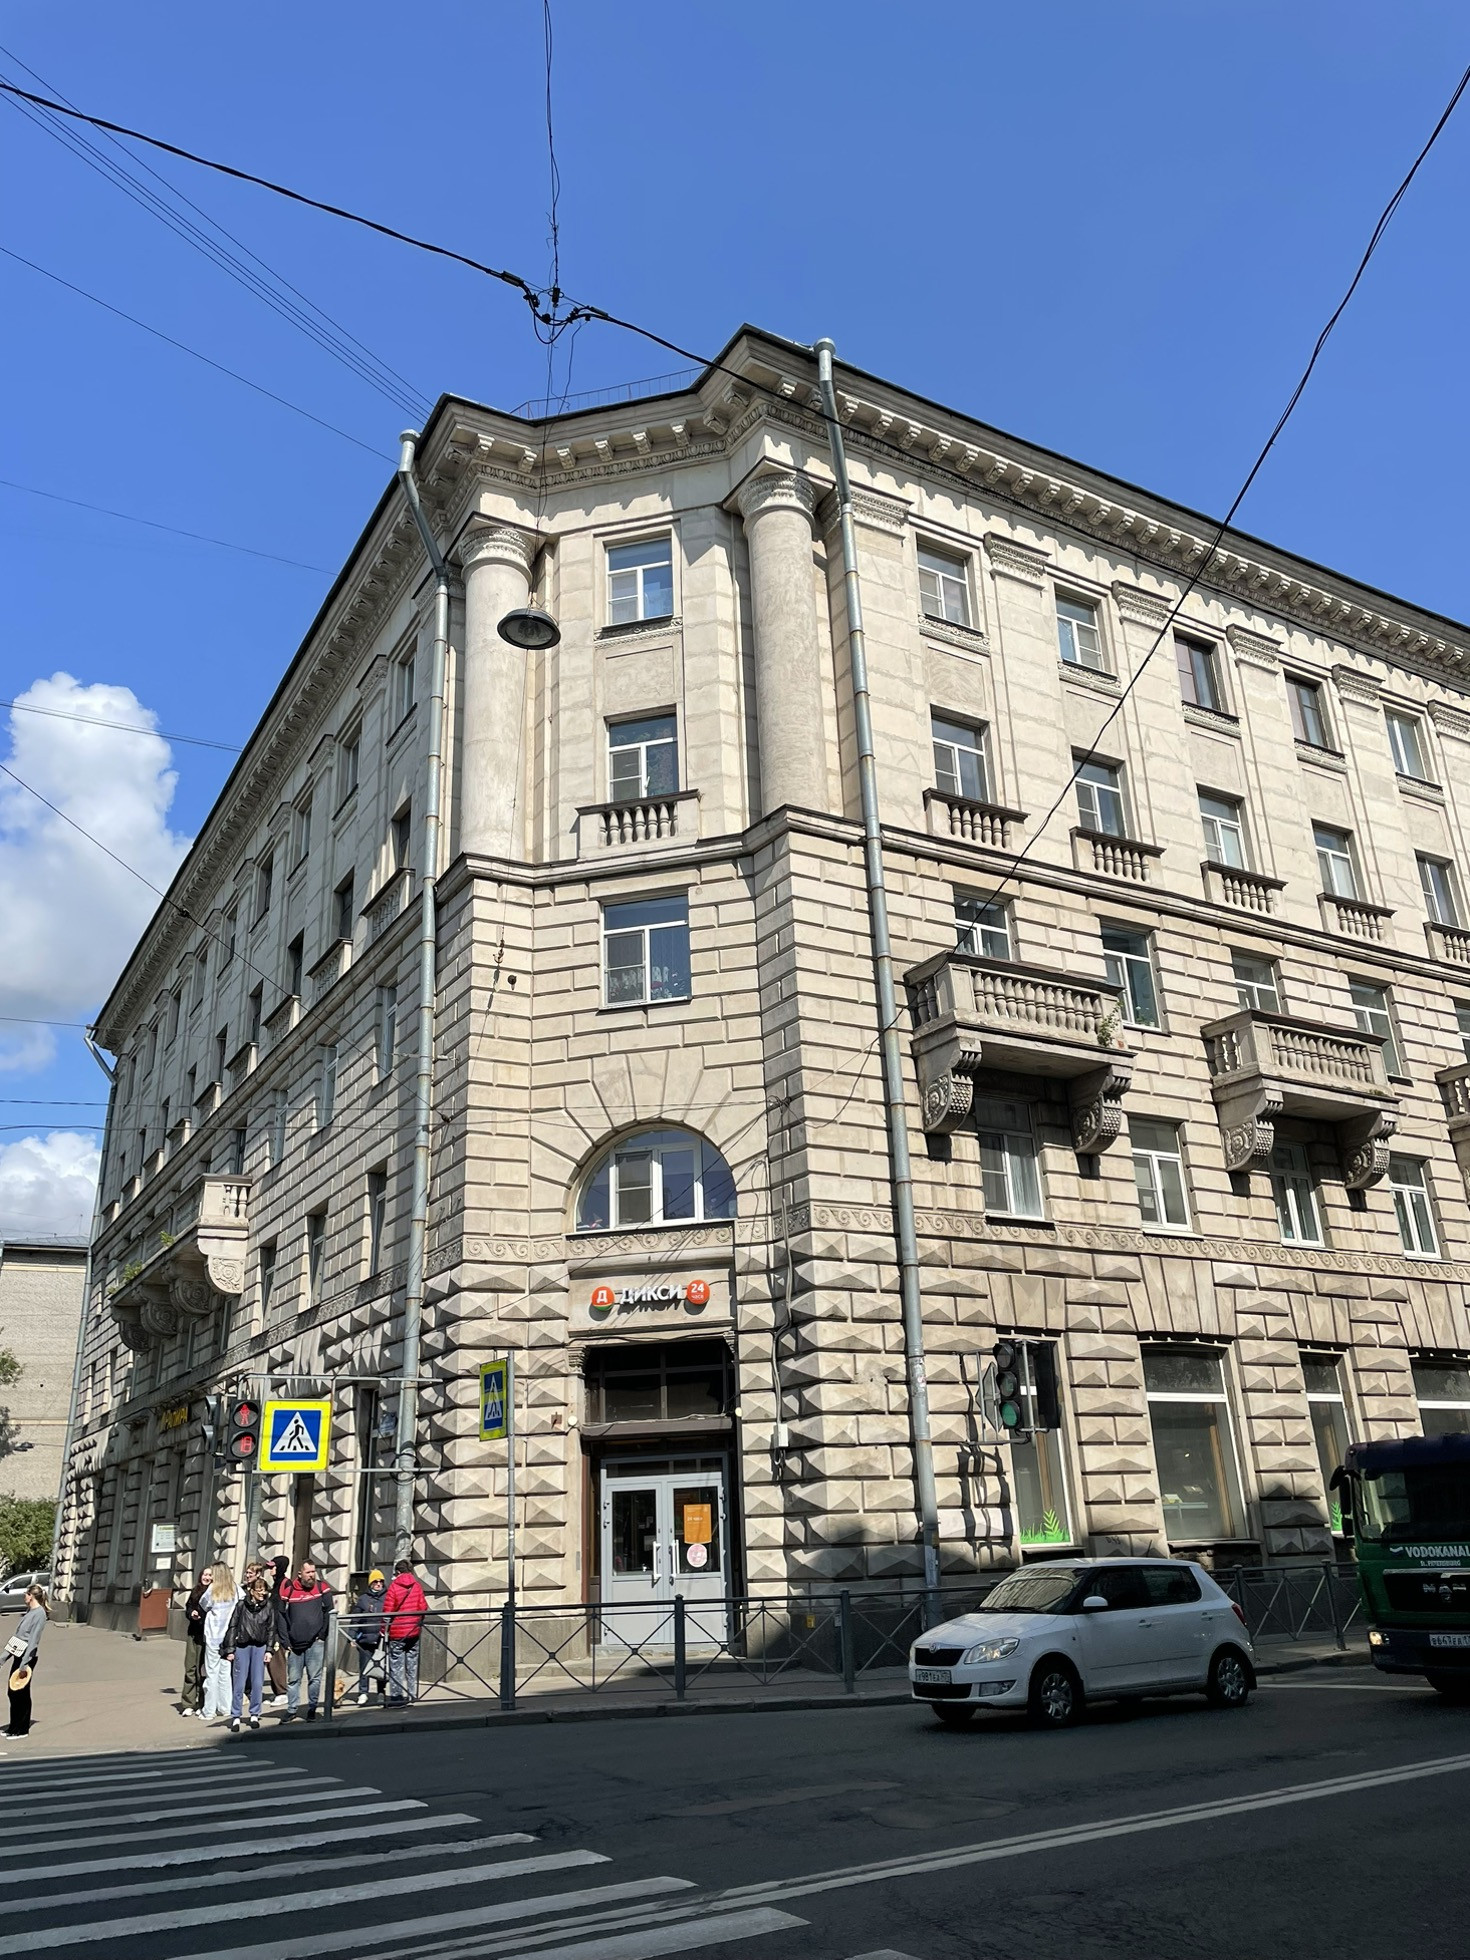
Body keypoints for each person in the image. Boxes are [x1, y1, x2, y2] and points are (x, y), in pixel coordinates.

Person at [276, 1558, 333, 1722]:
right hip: (294, 1645)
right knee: (293, 1679)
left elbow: (330, 1612)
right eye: (308, 1572)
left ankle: (312, 1709)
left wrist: (322, 1635)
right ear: (300, 1573)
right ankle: (292, 1709)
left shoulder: (322, 1588)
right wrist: (285, 1641)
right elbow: (281, 1615)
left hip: (315, 1643)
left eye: (313, 1571)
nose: (312, 1575)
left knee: (314, 1678)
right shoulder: (289, 1591)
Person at [221, 1567, 274, 1732]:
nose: (262, 1593)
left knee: (257, 1683)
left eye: (264, 1590)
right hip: (242, 1646)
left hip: (260, 1646)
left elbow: (271, 1629)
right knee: (239, 1683)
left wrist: (269, 1650)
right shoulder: (241, 1605)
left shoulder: (268, 1606)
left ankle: (255, 1714)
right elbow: (233, 1626)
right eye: (259, 1590)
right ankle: (236, 1716)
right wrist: (230, 1649)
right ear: (251, 1591)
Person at [381, 1557, 427, 1706]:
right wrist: (417, 1623)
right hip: (413, 1631)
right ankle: (412, 1695)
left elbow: (387, 1612)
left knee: (396, 1665)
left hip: (397, 1633)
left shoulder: (394, 1587)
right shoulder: (417, 1586)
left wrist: (383, 1629)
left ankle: (397, 1698)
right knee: (412, 1664)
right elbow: (423, 1607)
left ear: (398, 1572)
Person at [2, 1587, 47, 1737]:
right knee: (13, 1692)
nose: (24, 1596)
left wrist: (24, 1664)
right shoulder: (29, 1612)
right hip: (19, 1654)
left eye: (26, 1594)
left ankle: (22, 1729)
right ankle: (13, 1726)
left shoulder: (39, 1614)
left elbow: (33, 1641)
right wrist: (2, 1658)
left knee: (20, 1693)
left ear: (31, 1596)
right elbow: (18, 1638)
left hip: (27, 1658)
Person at [201, 1564, 240, 1722]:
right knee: (225, 1673)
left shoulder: (212, 1589)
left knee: (212, 1673)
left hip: (213, 1637)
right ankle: (225, 1707)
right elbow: (242, 1603)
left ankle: (209, 1710)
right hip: (229, 1638)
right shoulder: (235, 1589)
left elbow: (204, 1605)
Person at [349, 1570, 388, 1706]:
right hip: (365, 1638)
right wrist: (352, 1636)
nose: (378, 1584)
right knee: (364, 1667)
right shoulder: (363, 1599)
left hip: (381, 1639)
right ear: (370, 1583)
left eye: (381, 1581)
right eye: (375, 1581)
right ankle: (363, 1692)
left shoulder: (387, 1597)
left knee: (381, 1667)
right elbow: (355, 1619)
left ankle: (381, 1692)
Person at [181, 1566, 211, 1717]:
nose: (206, 1577)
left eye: (210, 1575)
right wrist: (191, 1613)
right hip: (193, 1634)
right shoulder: (195, 1591)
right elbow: (188, 1608)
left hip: (206, 1636)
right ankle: (188, 1703)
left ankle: (202, 1703)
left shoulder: (214, 1593)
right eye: (204, 1574)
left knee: (202, 1671)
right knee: (190, 1668)